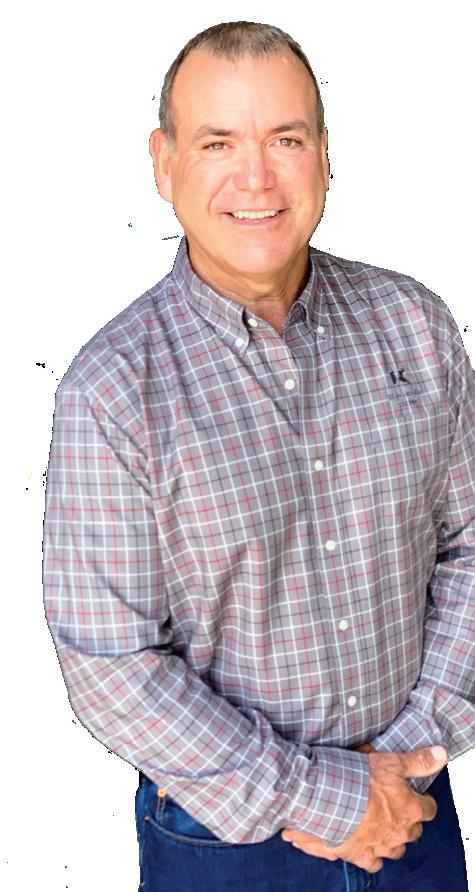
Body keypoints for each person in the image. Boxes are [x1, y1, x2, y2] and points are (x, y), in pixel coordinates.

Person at [42, 20, 474, 892]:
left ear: (324, 155)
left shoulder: (415, 327)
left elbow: (469, 546)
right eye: (217, 143)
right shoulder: (111, 390)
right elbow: (110, 664)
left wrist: (406, 759)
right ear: (164, 164)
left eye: (285, 138)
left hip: (412, 816)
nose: (256, 177)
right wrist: (333, 799)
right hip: (226, 846)